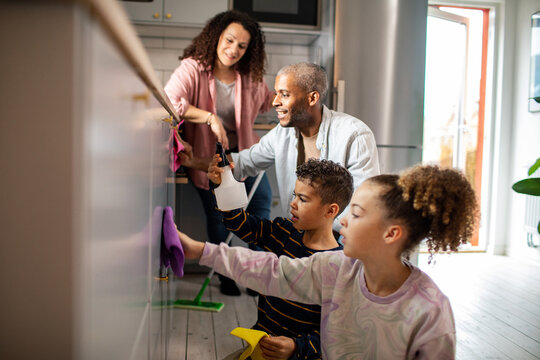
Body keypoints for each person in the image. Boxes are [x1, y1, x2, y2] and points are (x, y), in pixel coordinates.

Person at [178, 165, 480, 359]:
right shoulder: (336, 268)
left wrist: (298, 349)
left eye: (357, 214)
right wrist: (198, 250)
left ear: (392, 233)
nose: (344, 221)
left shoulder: (430, 312)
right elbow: (270, 271)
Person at [164, 10, 275, 295]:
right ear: (216, 37)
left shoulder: (248, 75)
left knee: (260, 212)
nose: (233, 50)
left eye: (242, 46)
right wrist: (209, 118)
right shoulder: (193, 68)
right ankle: (225, 276)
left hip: (246, 156)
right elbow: (170, 100)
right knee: (221, 218)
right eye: (229, 40)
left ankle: (258, 278)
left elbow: (267, 101)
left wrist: (288, 100)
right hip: (210, 159)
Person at [206, 62, 380, 231]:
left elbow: (364, 205)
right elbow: (243, 162)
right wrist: (199, 163)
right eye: (276, 94)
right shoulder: (282, 134)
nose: (275, 102)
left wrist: (326, 243)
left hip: (340, 241)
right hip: (297, 234)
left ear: (312, 98)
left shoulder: (354, 134)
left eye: (284, 94)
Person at [214, 158, 353, 359]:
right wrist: (222, 183)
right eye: (295, 195)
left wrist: (296, 347)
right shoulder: (284, 232)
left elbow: (336, 335)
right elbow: (240, 224)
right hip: (262, 347)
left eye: (303, 199)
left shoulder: (339, 267)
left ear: (331, 210)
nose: (293, 203)